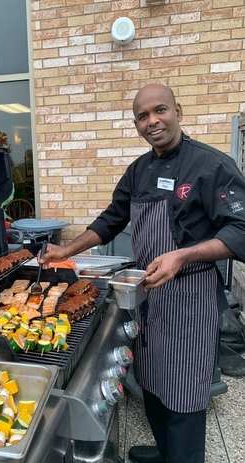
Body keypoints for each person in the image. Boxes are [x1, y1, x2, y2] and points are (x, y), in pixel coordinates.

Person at [39, 83, 245, 463]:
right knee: (150, 383)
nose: (152, 121)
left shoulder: (211, 165)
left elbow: (241, 229)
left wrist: (183, 255)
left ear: (178, 111)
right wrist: (66, 250)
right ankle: (166, 451)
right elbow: (111, 218)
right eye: (143, 116)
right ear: (136, 123)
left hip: (189, 297)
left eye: (160, 111)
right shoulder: (139, 170)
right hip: (147, 294)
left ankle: (182, 457)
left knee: (183, 391)